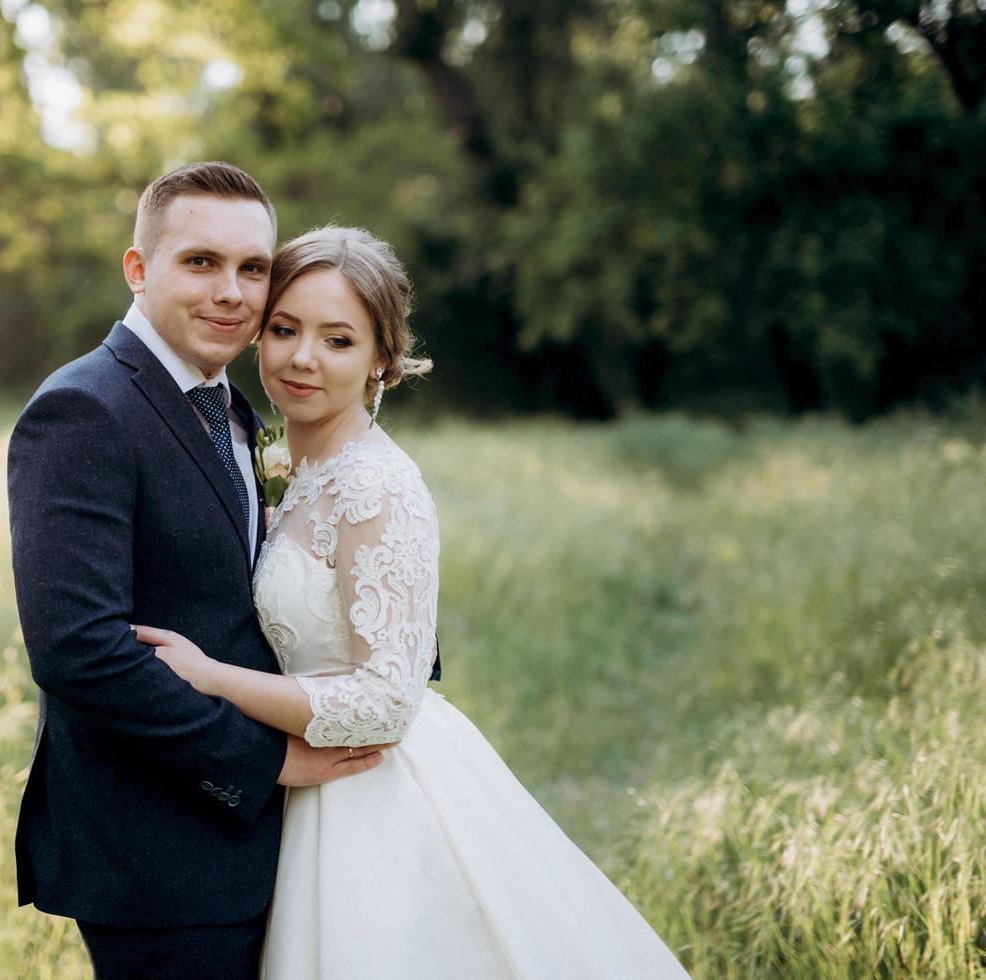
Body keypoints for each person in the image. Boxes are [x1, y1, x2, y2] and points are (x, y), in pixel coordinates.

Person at [135, 226, 692, 978]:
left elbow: (387, 701)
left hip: (372, 796)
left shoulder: (377, 485)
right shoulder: (289, 466)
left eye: (338, 340)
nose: (302, 358)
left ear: (382, 365)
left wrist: (210, 677)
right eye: (284, 329)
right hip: (295, 789)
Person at [7, 165, 387, 980]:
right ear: (138, 271)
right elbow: (80, 651)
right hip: (156, 853)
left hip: (256, 843)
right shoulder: (84, 409)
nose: (232, 292)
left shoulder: (232, 407)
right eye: (201, 262)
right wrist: (266, 762)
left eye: (253, 269)